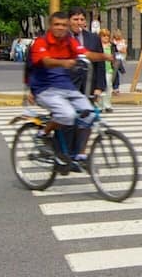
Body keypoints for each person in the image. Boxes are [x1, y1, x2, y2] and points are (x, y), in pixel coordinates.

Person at [28, 11, 114, 168]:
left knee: (89, 114)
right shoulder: (41, 42)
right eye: (57, 25)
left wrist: (104, 57)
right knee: (67, 114)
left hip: (66, 87)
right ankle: (43, 134)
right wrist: (63, 63)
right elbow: (45, 61)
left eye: (63, 25)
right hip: (44, 88)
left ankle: (79, 155)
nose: (60, 28)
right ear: (50, 26)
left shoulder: (69, 41)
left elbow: (86, 54)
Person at [68, 9, 107, 105]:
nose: (79, 22)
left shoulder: (93, 38)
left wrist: (99, 87)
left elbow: (100, 64)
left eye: (82, 19)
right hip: (68, 85)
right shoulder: (61, 38)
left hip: (88, 86)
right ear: (69, 21)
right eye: (75, 19)